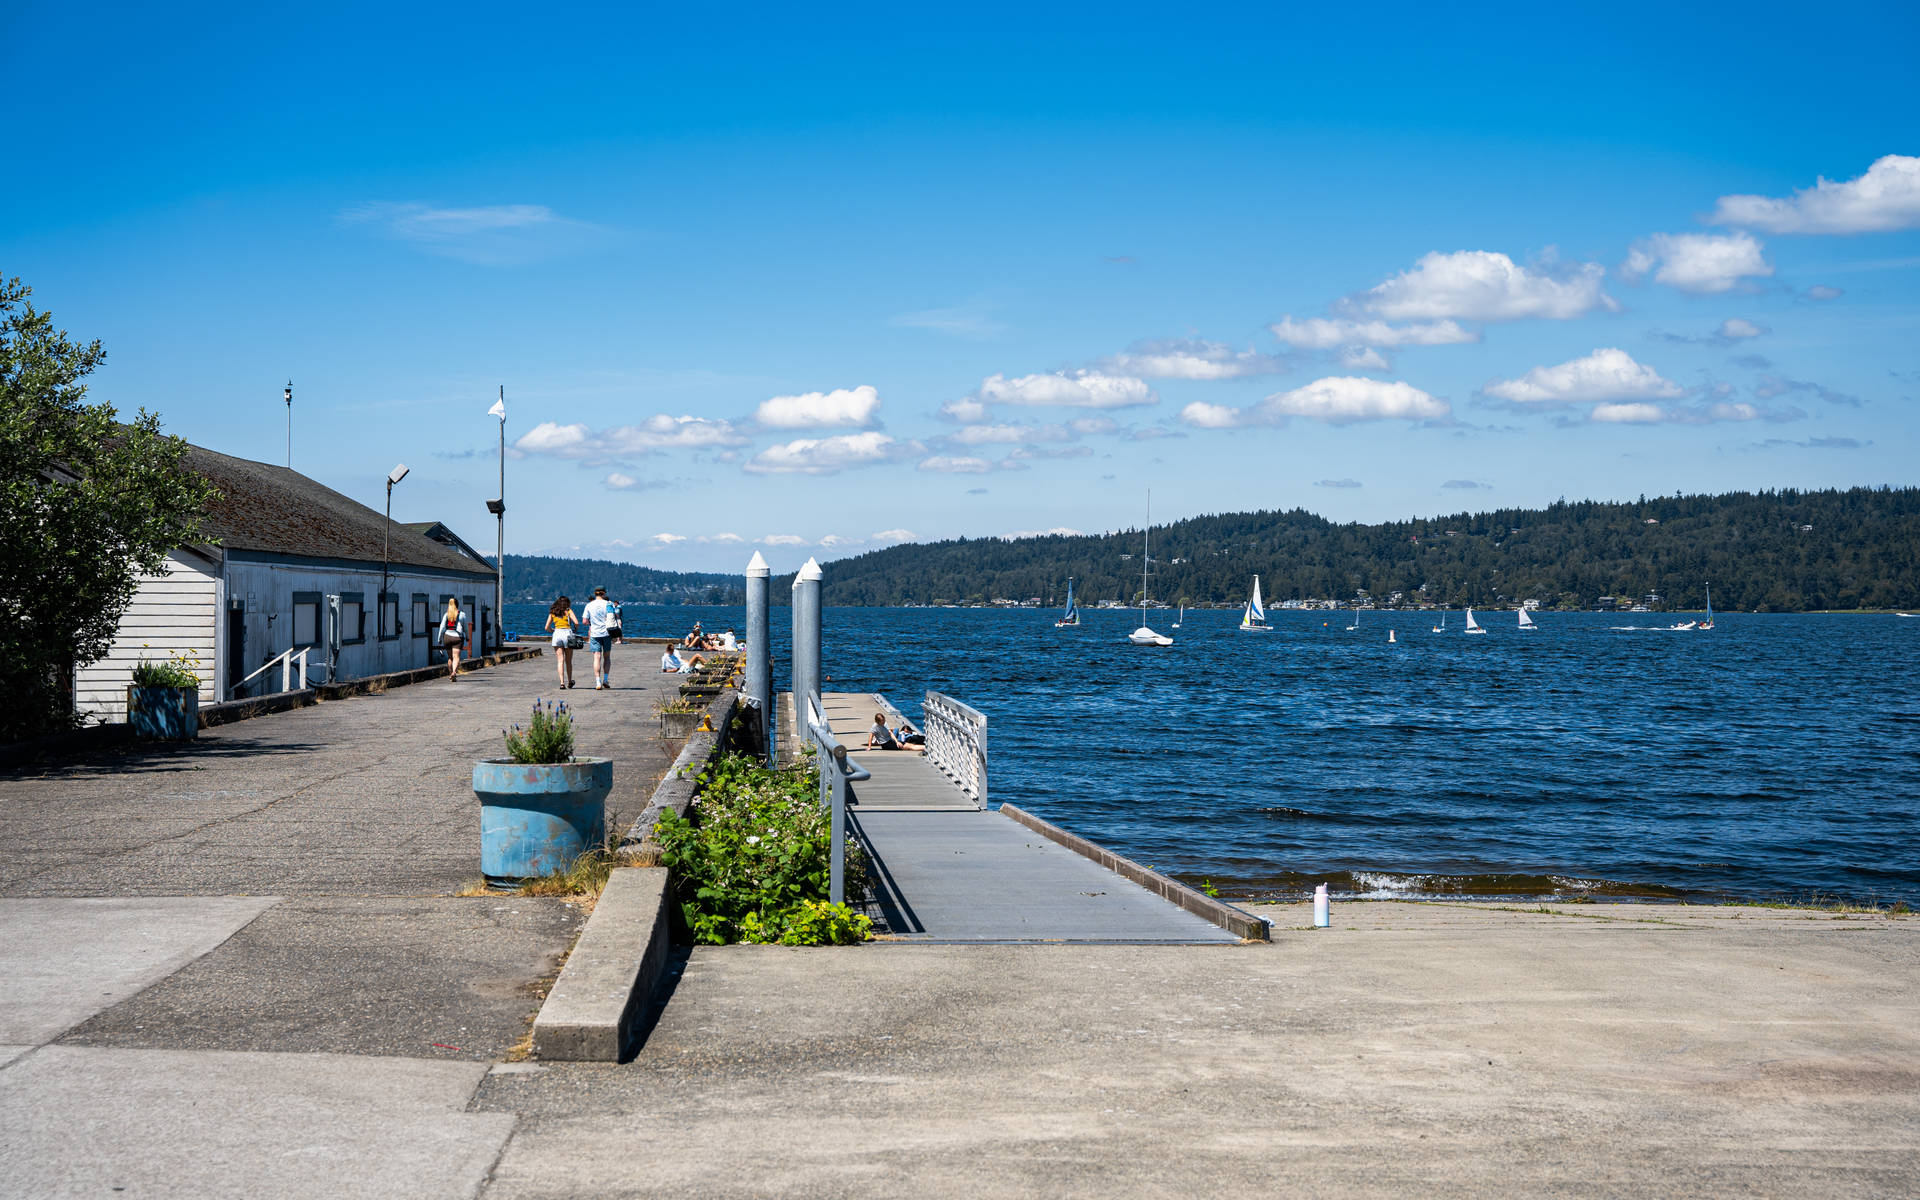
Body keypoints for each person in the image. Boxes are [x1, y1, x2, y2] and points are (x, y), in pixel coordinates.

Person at [582, 586, 619, 690]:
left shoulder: (589, 605)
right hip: (607, 633)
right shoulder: (609, 604)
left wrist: (592, 623)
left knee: (597, 657)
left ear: (595, 593)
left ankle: (598, 682)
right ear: (604, 593)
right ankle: (606, 679)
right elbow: (613, 617)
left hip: (595, 634)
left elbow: (584, 621)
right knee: (607, 657)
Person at [545, 596, 580, 689]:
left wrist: (552, 630)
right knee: (568, 661)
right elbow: (576, 622)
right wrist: (575, 629)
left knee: (560, 661)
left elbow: (546, 627)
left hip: (557, 634)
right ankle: (569, 681)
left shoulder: (553, 612)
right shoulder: (568, 611)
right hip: (567, 634)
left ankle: (562, 683)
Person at [438, 598, 467, 682]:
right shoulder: (462, 615)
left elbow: (442, 627)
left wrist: (439, 638)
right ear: (457, 605)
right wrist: (467, 636)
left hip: (447, 637)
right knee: (456, 656)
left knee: (450, 658)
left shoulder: (446, 615)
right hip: (457, 637)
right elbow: (465, 627)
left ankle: (451, 673)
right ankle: (454, 672)